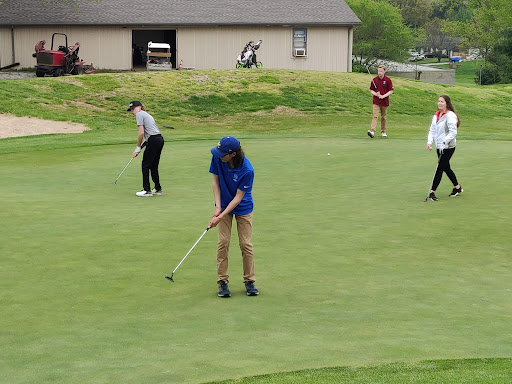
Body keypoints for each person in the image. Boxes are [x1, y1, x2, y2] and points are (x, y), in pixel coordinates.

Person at [208, 136, 258, 298]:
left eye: (223, 153)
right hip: (223, 204)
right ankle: (222, 281)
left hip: (243, 206)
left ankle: (249, 280)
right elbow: (215, 181)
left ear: (233, 154)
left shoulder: (247, 170)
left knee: (245, 244)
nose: (219, 155)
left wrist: (220, 215)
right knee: (223, 242)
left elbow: (238, 197)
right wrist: (218, 206)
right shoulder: (217, 158)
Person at [426, 95, 463, 201]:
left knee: (440, 168)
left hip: (448, 147)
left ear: (446, 103)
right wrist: (429, 142)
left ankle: (432, 192)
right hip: (439, 146)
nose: (439, 103)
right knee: (446, 167)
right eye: (438, 101)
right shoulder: (436, 115)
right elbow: (432, 130)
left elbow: (453, 132)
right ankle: (457, 187)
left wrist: (444, 141)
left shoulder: (450, 115)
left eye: (442, 101)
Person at [127, 101, 164, 197]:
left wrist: (138, 147)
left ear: (139, 107)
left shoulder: (139, 114)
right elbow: (149, 137)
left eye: (133, 109)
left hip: (153, 140)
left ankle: (147, 190)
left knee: (145, 165)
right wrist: (139, 149)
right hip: (159, 139)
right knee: (153, 166)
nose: (132, 111)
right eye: (131, 109)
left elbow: (141, 133)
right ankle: (158, 188)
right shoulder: (146, 114)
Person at [368, 65, 394, 138]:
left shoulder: (388, 80)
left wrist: (383, 96)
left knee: (383, 117)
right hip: (376, 101)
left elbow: (391, 91)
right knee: (375, 116)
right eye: (379, 71)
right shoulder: (374, 80)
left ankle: (383, 131)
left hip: (384, 101)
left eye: (381, 71)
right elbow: (371, 90)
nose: (379, 73)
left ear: (384, 71)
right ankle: (372, 131)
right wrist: (375, 94)